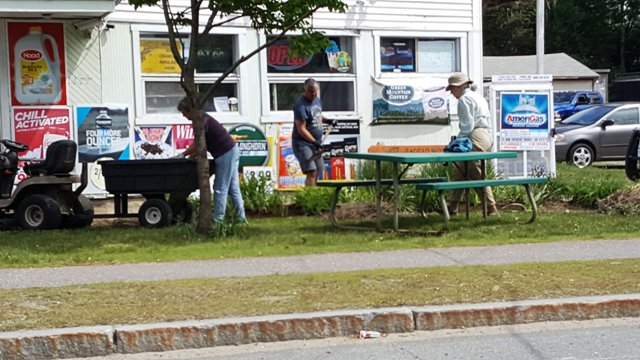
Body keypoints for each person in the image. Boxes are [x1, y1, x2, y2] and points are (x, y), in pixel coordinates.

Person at [176, 97, 246, 224]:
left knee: (220, 187)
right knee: (233, 187)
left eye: (184, 113)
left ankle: (218, 220)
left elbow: (198, 144)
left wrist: (183, 154)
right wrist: (191, 156)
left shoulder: (202, 121)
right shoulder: (204, 118)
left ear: (189, 110)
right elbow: (202, 145)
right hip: (231, 150)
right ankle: (241, 219)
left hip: (225, 153)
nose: (184, 116)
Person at [446, 73, 498, 216]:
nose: (451, 92)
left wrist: (456, 142)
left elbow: (467, 127)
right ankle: (452, 205)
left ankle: (491, 207)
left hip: (475, 135)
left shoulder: (464, 99)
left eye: (452, 89)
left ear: (459, 87)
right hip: (486, 134)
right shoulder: (477, 96)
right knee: (461, 168)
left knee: (474, 170)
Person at [292, 78, 334, 187]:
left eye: (316, 91)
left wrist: (328, 121)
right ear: (305, 90)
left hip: (316, 144)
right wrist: (314, 142)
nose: (314, 94)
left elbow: (317, 116)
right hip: (303, 144)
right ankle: (310, 200)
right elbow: (301, 129)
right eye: (311, 91)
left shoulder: (317, 100)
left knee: (318, 172)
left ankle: (313, 197)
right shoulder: (300, 106)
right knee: (311, 171)